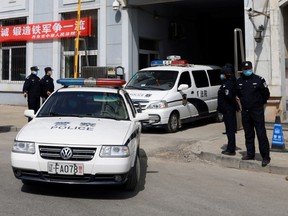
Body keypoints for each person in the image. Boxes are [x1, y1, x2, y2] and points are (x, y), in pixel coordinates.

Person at [236, 61, 271, 167]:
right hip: (246, 112)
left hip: (257, 111)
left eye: (249, 68)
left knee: (261, 134)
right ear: (242, 70)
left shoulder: (259, 80)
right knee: (249, 134)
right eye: (245, 69)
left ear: (252, 68)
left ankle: (265, 157)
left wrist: (259, 104)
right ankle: (250, 154)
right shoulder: (239, 81)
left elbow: (266, 94)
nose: (247, 70)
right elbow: (238, 94)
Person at [217, 63, 239, 156]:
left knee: (230, 130)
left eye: (223, 74)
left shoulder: (228, 84)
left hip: (228, 110)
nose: (221, 75)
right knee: (230, 130)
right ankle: (230, 147)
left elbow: (229, 97)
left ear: (227, 74)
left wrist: (236, 106)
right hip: (228, 109)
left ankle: (231, 149)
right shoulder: (229, 82)